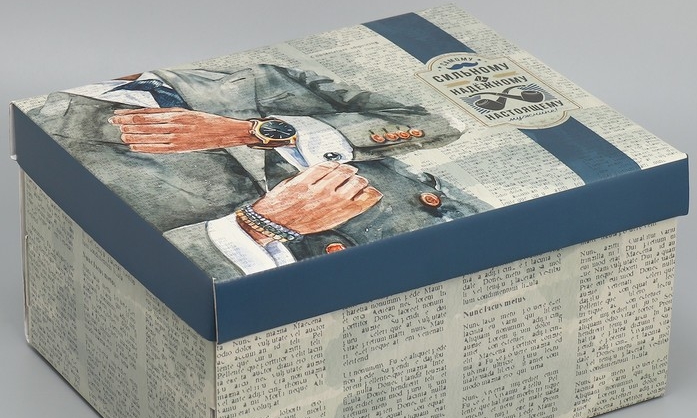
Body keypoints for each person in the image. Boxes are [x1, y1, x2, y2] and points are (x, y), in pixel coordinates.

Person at [28, 63, 491, 278]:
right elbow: (113, 270)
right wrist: (259, 224)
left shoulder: (259, 76)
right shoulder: (52, 132)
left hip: (456, 230)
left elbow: (437, 122)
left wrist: (257, 130)